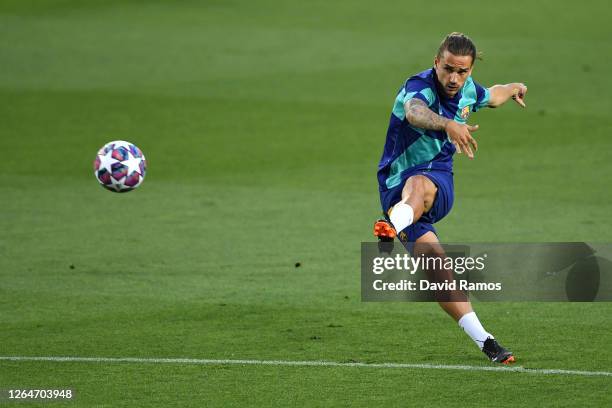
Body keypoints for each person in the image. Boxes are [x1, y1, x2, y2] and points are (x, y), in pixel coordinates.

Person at [374, 32, 527, 364]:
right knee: (437, 268)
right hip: (393, 186)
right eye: (448, 69)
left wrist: (514, 88)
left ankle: (392, 224)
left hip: (437, 182)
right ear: (436, 63)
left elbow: (495, 96)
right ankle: (486, 341)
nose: (455, 78)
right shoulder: (418, 88)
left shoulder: (469, 89)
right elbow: (415, 113)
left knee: (420, 183)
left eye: (463, 71)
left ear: (470, 70)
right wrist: (447, 125)